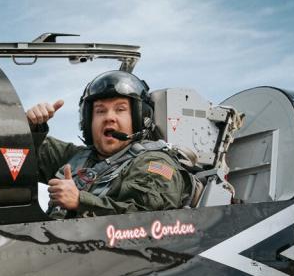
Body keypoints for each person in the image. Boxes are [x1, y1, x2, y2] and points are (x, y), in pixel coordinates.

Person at [26, 70, 191, 217]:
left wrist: (80, 201)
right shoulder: (78, 159)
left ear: (139, 118)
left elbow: (148, 219)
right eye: (100, 111)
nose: (109, 117)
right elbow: (22, 154)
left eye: (120, 109)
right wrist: (29, 126)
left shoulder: (154, 163)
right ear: (88, 121)